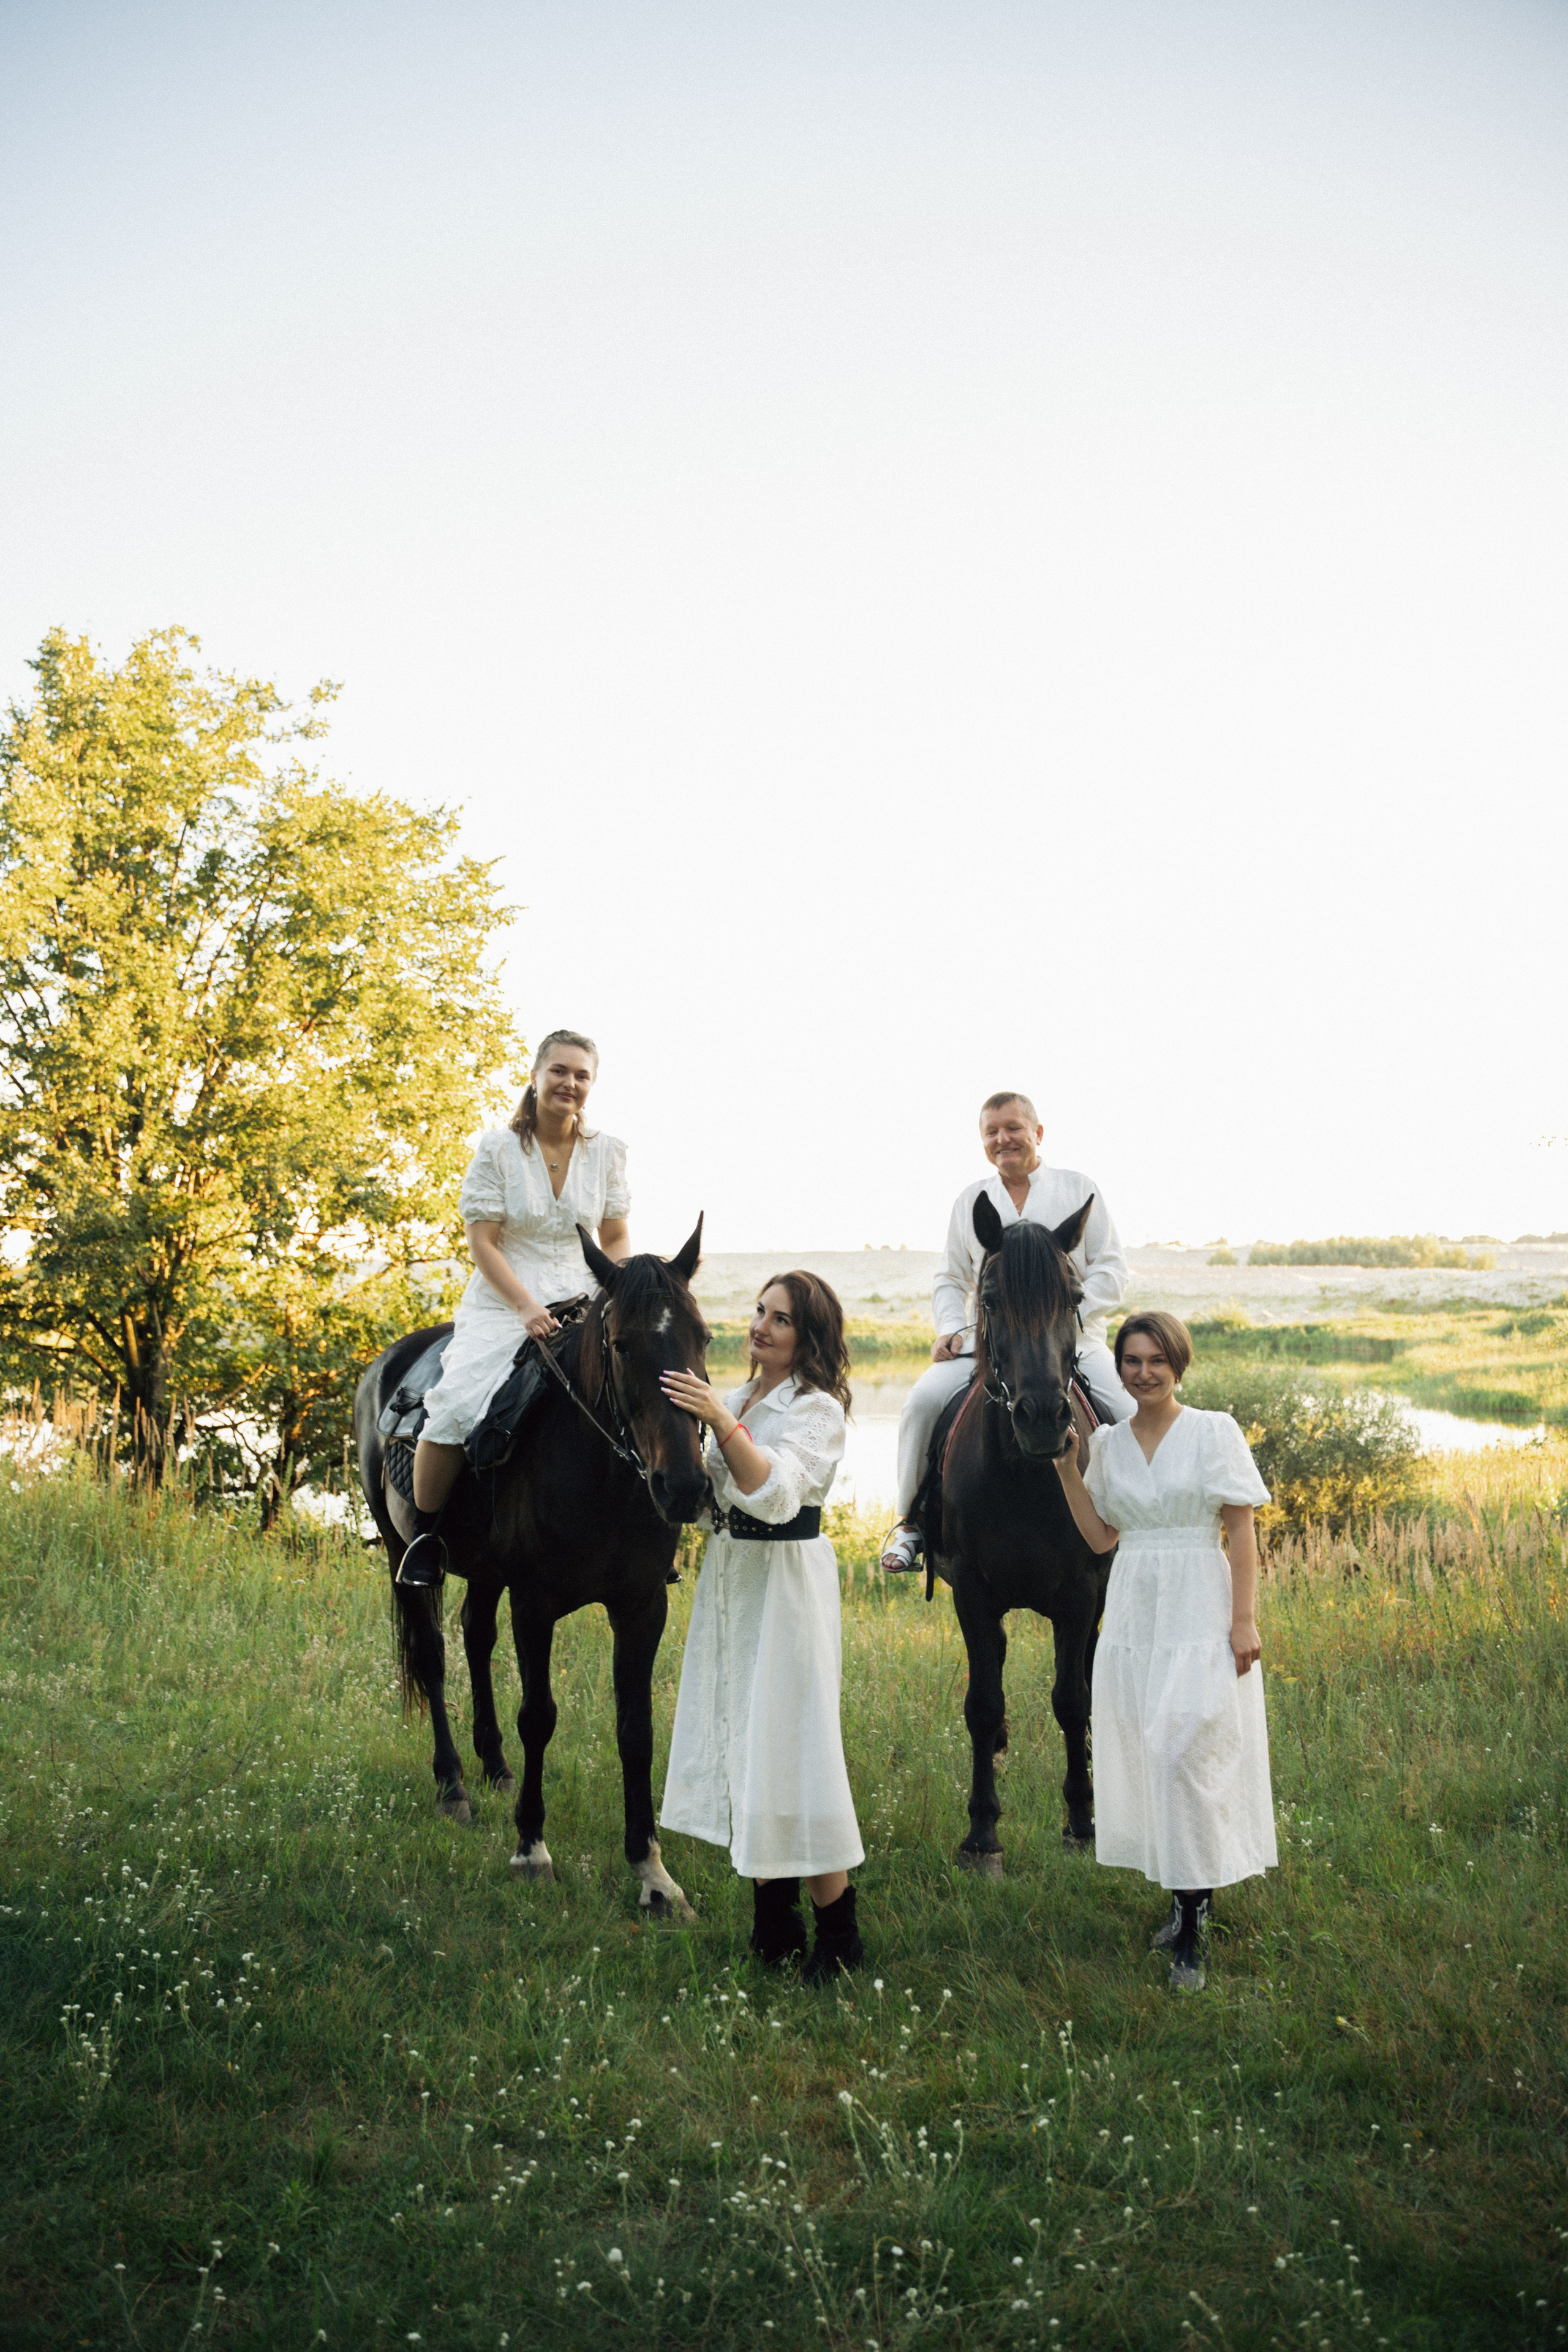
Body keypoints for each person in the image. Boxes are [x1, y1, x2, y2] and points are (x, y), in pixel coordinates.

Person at [1051, 1310, 1276, 1992]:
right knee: (1155, 1754)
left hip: (1199, 1607)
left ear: (1177, 1363)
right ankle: (1188, 1900)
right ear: (1118, 1368)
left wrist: (1243, 1621)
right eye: (1132, 1361)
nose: (1144, 1373)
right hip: (1134, 1612)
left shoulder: (1213, 1431)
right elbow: (1099, 1539)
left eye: (1156, 1360)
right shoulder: (1111, 1445)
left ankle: (1188, 1928)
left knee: (1188, 1749)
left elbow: (1239, 1529)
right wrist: (1067, 1469)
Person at [657, 1272, 867, 1983]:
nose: (760, 1327)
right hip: (731, 1580)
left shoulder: (818, 1410)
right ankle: (772, 1922)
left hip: (786, 1581)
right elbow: (706, 1494)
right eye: (759, 1312)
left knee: (795, 1750)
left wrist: (719, 1421)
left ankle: (839, 1934)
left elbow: (773, 1495)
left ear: (808, 1338)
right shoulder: (742, 1395)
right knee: (746, 1741)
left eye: (780, 1320)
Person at [397, 1029, 631, 1587]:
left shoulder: (608, 1152)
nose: (569, 1084)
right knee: (455, 1402)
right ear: (535, 1074)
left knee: (637, 1387)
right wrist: (525, 1306)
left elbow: (617, 1236)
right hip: (506, 1299)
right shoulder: (499, 1150)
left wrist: (615, 1288)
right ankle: (426, 1537)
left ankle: (644, 1533)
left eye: (581, 1076)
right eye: (559, 1071)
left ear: (591, 1086)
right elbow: (484, 1243)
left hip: (584, 1296)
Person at [880, 1090, 1136, 1574]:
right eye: (992, 1133)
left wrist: (1063, 1313)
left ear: (1037, 1134)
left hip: (1073, 1341)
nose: (1004, 1139)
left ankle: (1142, 1523)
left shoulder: (1078, 1189)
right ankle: (910, 1522)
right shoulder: (971, 1202)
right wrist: (953, 1328)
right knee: (920, 1404)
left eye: (1013, 1128)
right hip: (990, 1345)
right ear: (984, 1143)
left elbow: (1112, 1269)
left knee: (1128, 1412)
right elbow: (950, 1277)